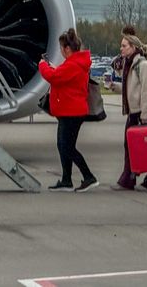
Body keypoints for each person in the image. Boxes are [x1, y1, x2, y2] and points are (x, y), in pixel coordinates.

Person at [38, 28, 97, 192]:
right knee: (63, 145)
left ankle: (88, 176)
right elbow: (61, 75)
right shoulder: (75, 63)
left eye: (61, 48)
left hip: (72, 112)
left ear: (67, 49)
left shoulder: (74, 64)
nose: (61, 51)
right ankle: (66, 179)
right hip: (68, 111)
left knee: (67, 147)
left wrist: (42, 65)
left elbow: (54, 77)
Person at [104, 33, 147, 191]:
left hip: (142, 111)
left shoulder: (144, 66)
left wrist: (145, 116)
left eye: (124, 46)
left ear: (133, 47)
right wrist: (115, 87)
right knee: (140, 146)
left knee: (131, 145)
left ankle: (129, 179)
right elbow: (133, 90)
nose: (121, 49)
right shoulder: (131, 65)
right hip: (136, 111)